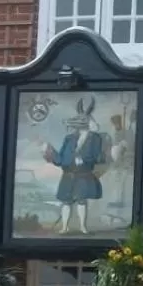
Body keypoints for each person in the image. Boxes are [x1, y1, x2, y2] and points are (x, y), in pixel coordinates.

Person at [43, 97, 108, 234]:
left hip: (83, 175)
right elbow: (61, 159)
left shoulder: (95, 138)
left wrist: (84, 160)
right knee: (66, 201)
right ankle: (64, 227)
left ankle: (83, 227)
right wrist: (50, 153)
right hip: (68, 175)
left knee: (82, 201)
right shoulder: (69, 138)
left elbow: (97, 157)